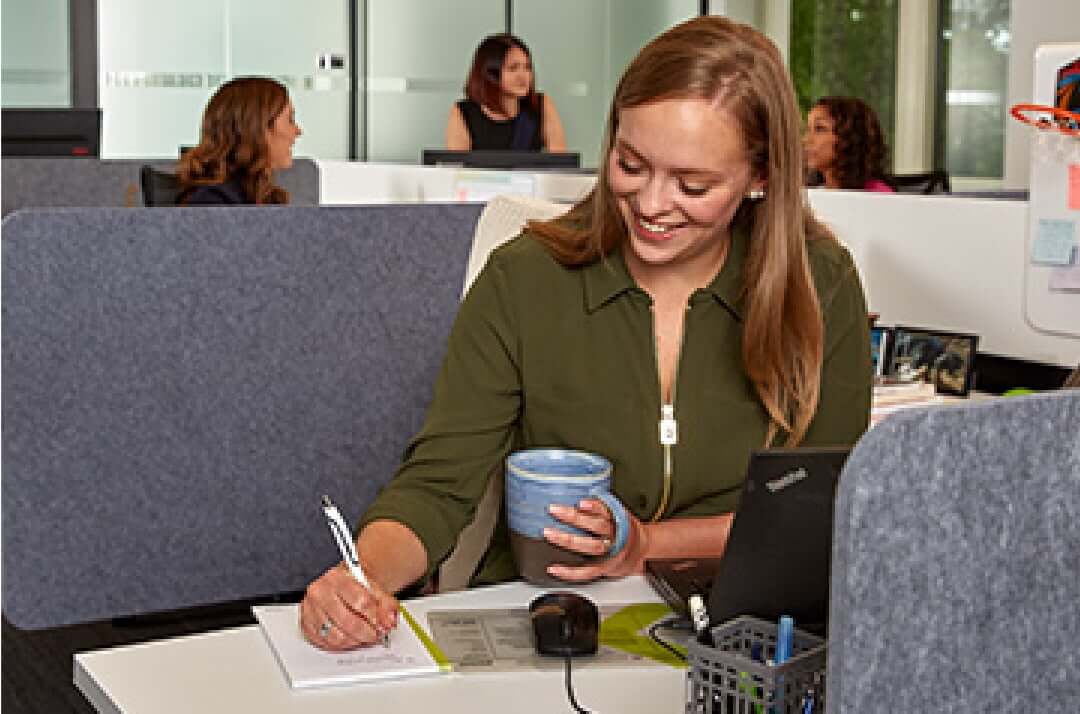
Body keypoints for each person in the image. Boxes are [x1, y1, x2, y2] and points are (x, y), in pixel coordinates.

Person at [302, 16, 871, 651]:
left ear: (760, 178)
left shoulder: (820, 285)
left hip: (749, 636)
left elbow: (826, 511)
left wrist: (649, 545)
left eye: (693, 185)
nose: (652, 205)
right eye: (631, 165)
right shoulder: (526, 277)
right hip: (546, 625)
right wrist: (361, 577)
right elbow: (437, 484)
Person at [176, 76, 301, 205]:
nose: (298, 131)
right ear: (257, 128)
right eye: (290, 120)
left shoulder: (259, 194)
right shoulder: (212, 203)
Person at [445, 33, 567, 152]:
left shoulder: (541, 104)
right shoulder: (463, 112)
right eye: (513, 68)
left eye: (527, 67)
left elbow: (559, 163)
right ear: (490, 73)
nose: (523, 76)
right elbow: (458, 168)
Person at [803, 96, 894, 192]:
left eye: (820, 128)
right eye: (808, 129)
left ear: (850, 138)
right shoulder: (810, 194)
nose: (805, 139)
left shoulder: (879, 195)